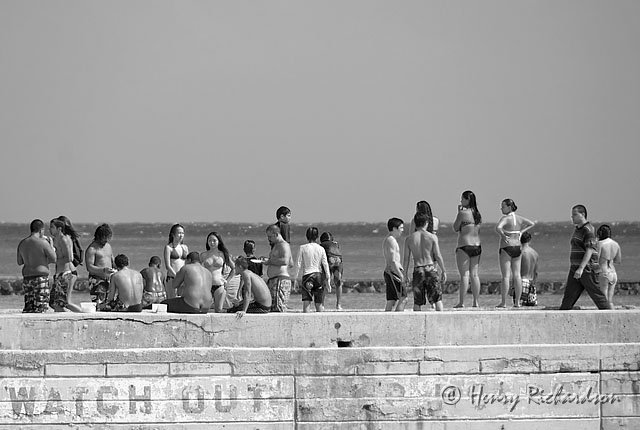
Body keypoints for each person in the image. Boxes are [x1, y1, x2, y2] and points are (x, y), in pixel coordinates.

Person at [559, 205, 613, 310]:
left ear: (582, 214)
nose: (572, 217)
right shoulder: (578, 229)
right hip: (575, 268)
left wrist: (581, 268)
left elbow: (590, 249)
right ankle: (562, 315)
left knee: (597, 295)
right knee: (568, 298)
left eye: (575, 214)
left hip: (587, 268)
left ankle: (609, 315)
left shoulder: (588, 229)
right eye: (572, 215)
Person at [495, 198, 535, 308]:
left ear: (509, 207)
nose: (501, 208)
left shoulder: (505, 218)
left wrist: (503, 235)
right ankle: (517, 302)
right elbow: (531, 223)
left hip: (507, 247)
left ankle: (503, 302)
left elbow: (498, 228)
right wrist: (521, 232)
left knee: (505, 276)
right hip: (517, 247)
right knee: (517, 275)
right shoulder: (519, 218)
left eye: (503, 206)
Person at [404, 212, 447, 311]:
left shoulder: (409, 239)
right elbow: (438, 255)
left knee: (417, 302)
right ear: (426, 223)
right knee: (437, 299)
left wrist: (405, 274)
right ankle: (440, 319)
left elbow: (406, 259)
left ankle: (417, 320)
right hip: (430, 268)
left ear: (415, 223)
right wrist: (443, 270)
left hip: (418, 269)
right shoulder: (432, 237)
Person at [17, 219, 56, 313]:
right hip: (40, 278)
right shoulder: (43, 242)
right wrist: (51, 245)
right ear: (41, 230)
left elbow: (19, 262)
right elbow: (54, 259)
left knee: (29, 308)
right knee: (41, 308)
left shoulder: (22, 243)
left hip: (27, 278)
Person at [453, 190, 482, 308]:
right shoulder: (478, 214)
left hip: (464, 245)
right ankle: (476, 302)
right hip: (477, 245)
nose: (461, 201)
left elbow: (455, 228)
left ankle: (461, 302)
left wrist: (459, 212)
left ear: (467, 200)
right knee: (475, 275)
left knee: (464, 275)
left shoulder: (463, 213)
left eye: (462, 199)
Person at [295, 227, 331, 313]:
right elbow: (325, 264)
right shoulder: (321, 248)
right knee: (319, 304)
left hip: (307, 276)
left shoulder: (302, 248)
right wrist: (328, 280)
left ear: (306, 236)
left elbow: (298, 264)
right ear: (317, 237)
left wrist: (295, 279)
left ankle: (306, 321)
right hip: (318, 276)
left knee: (306, 303)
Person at [200, 232, 235, 313]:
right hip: (207, 286)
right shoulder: (203, 255)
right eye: (209, 240)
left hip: (219, 285)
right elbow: (198, 269)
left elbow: (234, 268)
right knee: (204, 309)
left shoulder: (223, 254)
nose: (212, 243)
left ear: (219, 241)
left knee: (218, 309)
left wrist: (227, 281)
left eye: (214, 240)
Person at [85, 223, 116, 311]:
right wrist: (103, 270)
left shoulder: (108, 246)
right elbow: (89, 267)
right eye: (104, 238)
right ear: (99, 236)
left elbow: (112, 260)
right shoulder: (92, 249)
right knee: (99, 305)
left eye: (108, 238)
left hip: (109, 279)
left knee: (109, 304)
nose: (106, 240)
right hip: (97, 280)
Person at [49, 218, 77, 312]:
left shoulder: (64, 239)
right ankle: (75, 314)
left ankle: (82, 314)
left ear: (59, 229)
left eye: (52, 227)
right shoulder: (55, 240)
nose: (50, 229)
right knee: (52, 303)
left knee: (60, 304)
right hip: (58, 274)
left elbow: (69, 258)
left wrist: (56, 260)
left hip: (64, 274)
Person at [263, 224, 293, 312]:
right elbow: (291, 263)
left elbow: (285, 261)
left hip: (280, 280)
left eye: (270, 236)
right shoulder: (277, 245)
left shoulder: (283, 245)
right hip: (275, 280)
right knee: (272, 307)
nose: (269, 239)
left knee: (278, 308)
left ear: (276, 234)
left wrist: (269, 261)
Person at [383, 217, 406, 311]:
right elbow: (393, 261)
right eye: (401, 228)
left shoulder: (389, 240)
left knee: (391, 300)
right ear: (394, 228)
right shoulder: (391, 241)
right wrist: (400, 275)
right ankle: (398, 318)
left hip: (390, 272)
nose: (402, 230)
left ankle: (386, 318)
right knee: (403, 298)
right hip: (393, 272)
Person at [597, 224, 622, 306]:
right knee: (610, 301)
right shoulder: (616, 244)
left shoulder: (600, 244)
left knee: (604, 299)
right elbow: (618, 261)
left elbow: (596, 259)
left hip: (604, 272)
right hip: (613, 273)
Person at [56, 215, 82, 292]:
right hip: (72, 269)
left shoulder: (64, 239)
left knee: (62, 297)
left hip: (67, 270)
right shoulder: (71, 238)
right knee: (65, 296)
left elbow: (69, 257)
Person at [163, 224, 188, 299]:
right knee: (172, 300)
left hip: (183, 279)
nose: (181, 235)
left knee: (182, 300)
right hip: (172, 278)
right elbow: (168, 266)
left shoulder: (185, 247)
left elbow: (187, 263)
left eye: (182, 233)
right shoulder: (168, 247)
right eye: (179, 233)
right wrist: (177, 277)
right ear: (173, 235)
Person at [320, 232, 343, 310]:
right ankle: (338, 305)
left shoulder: (321, 245)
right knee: (338, 282)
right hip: (338, 261)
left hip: (329, 260)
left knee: (324, 283)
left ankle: (322, 304)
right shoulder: (336, 244)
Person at [518, 232, 539, 306]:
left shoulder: (519, 252)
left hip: (521, 281)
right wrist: (534, 284)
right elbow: (536, 272)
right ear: (530, 240)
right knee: (531, 307)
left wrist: (513, 286)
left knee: (519, 306)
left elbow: (516, 270)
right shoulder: (535, 253)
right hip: (531, 282)